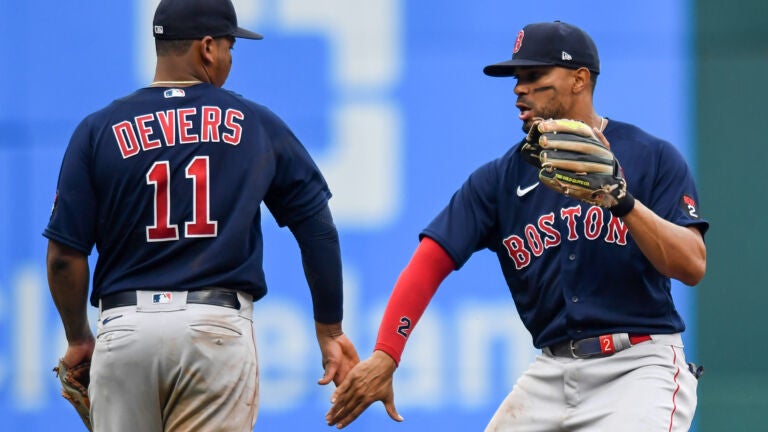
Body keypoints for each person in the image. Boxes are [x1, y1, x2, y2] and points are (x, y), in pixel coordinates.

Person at [325, 20, 707, 431]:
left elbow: (691, 265)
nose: (518, 89)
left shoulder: (651, 157)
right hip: (552, 372)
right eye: (516, 78)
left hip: (638, 368)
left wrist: (623, 202)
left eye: (534, 76)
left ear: (580, 79)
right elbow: (428, 263)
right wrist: (387, 352)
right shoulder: (499, 180)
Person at [43, 0, 359, 430]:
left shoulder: (97, 130)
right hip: (214, 331)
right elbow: (317, 228)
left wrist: (79, 337)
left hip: (124, 331)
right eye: (230, 46)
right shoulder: (254, 123)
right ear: (208, 48)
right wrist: (330, 329)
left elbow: (64, 256)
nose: (230, 57)